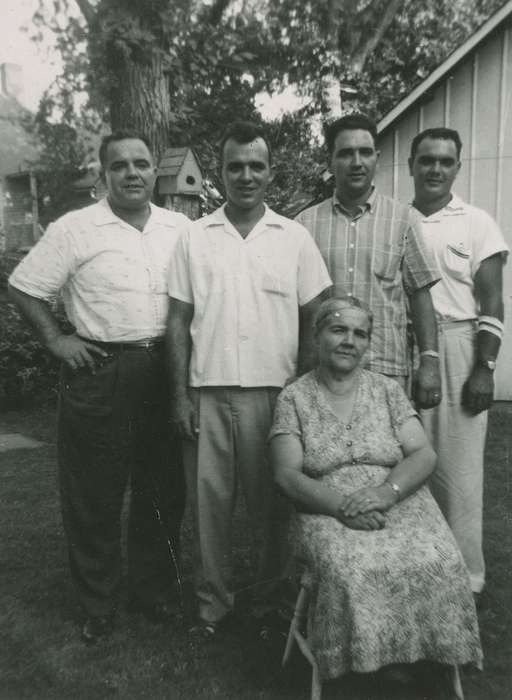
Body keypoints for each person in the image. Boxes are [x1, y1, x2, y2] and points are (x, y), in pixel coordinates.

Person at [8, 130, 188, 643]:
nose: (132, 173)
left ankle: (152, 593)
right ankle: (98, 602)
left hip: (166, 367)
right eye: (120, 166)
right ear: (102, 176)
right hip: (100, 369)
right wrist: (57, 340)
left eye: (141, 164)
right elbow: (24, 285)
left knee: (162, 488)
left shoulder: (181, 228)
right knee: (94, 493)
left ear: (156, 171)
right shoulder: (76, 229)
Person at [166, 120, 331, 634]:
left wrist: (303, 395)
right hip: (207, 393)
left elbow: (317, 316)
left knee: (273, 508)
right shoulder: (194, 237)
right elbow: (176, 321)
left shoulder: (294, 238)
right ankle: (213, 604)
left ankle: (270, 603)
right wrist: (179, 397)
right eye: (234, 166)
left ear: (270, 171)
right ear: (219, 173)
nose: (245, 175)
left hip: (274, 396)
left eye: (255, 165)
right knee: (208, 509)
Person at [269, 295, 482, 683]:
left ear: (368, 344)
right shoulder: (294, 397)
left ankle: (424, 653)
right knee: (352, 567)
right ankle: (370, 659)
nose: (349, 341)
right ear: (317, 337)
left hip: (398, 496)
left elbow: (422, 453)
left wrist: (388, 491)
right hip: (325, 506)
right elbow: (287, 475)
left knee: (440, 558)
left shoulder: (385, 390)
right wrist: (342, 507)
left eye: (360, 334)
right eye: (338, 330)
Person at [409, 127, 509, 595]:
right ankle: (413, 573)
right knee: (405, 462)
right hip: (402, 345)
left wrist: (484, 368)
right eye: (426, 160)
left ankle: (467, 582)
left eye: (445, 162)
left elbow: (493, 301)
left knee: (459, 474)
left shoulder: (476, 222)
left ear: (457, 168)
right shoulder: (397, 219)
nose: (434, 169)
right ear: (411, 165)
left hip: (458, 344)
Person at [296, 113, 441, 407]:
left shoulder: (404, 219)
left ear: (376, 157)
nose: (357, 162)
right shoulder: (304, 225)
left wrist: (429, 361)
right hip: (323, 374)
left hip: (384, 370)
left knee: (387, 453)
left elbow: (421, 295)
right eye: (346, 153)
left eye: (364, 152)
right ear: (331, 160)